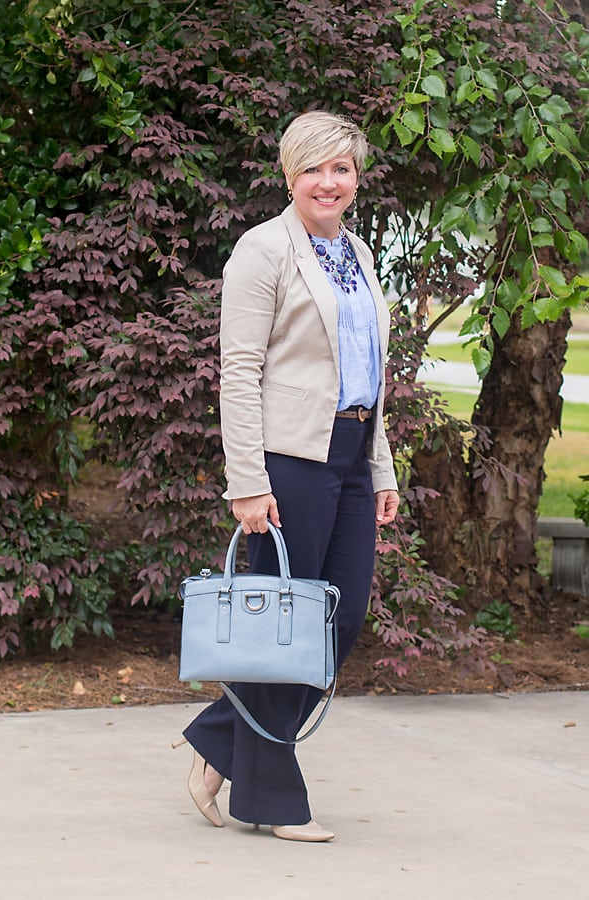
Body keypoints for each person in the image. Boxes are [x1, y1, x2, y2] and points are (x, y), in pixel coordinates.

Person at [181, 110, 399, 842]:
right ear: (289, 175)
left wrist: (382, 465)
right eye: (313, 169)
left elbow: (368, 369)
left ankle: (217, 740)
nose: (327, 182)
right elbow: (239, 371)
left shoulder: (359, 253)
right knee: (286, 627)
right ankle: (271, 804)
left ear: (356, 178)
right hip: (288, 462)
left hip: (352, 455)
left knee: (341, 621)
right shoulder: (262, 250)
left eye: (341, 169)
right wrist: (247, 480)